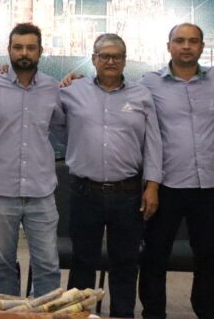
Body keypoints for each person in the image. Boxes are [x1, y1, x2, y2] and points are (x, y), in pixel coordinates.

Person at [137, 23, 214, 319]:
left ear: (202, 47)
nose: (186, 46)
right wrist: (76, 81)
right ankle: (153, 313)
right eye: (179, 41)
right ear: (168, 46)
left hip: (208, 186)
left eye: (193, 41)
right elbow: (115, 92)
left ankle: (206, 312)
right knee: (155, 255)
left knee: (208, 256)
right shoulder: (149, 82)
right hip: (165, 184)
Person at [56, 33, 161, 318]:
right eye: (104, 56)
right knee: (82, 262)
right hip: (84, 192)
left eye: (116, 56)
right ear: (94, 59)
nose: (110, 61)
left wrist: (152, 186)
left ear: (125, 60)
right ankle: (79, 316)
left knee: (125, 263)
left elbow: (153, 145)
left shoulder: (141, 96)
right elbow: (54, 124)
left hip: (128, 194)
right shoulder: (71, 91)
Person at [0, 23, 62, 297]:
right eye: (18, 47)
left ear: (40, 51)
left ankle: (44, 315)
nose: (24, 53)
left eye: (30, 47)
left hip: (41, 192)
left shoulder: (52, 88)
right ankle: (9, 313)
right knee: (2, 263)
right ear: (8, 50)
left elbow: (66, 128)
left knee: (48, 265)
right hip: (0, 191)